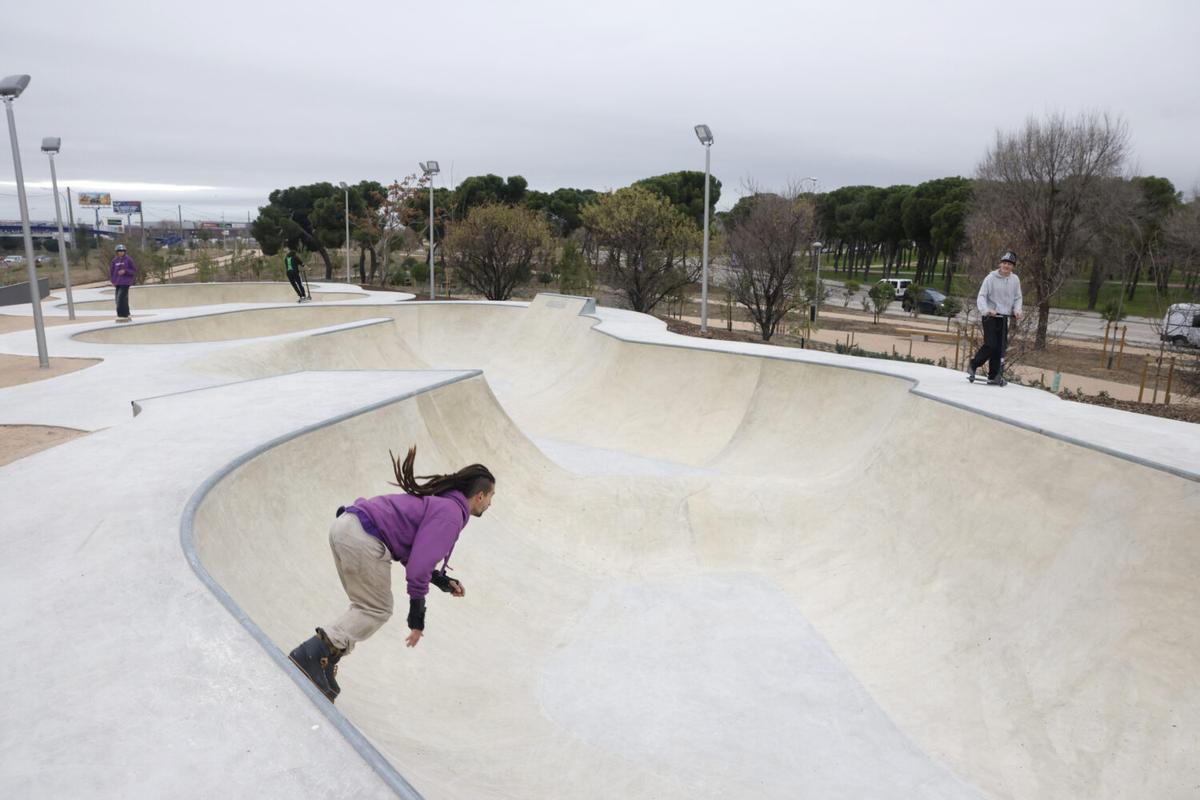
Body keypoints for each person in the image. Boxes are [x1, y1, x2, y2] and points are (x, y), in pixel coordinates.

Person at [289, 447, 496, 702]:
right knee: (376, 609)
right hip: (364, 537)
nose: (490, 503)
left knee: (367, 607)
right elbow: (418, 568)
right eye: (490, 497)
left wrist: (441, 580)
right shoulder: (451, 515)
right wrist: (417, 617)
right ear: (479, 495)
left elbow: (415, 555)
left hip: (346, 527)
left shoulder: (442, 505)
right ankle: (312, 655)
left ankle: (324, 658)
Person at [967, 250, 1024, 385]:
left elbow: (1018, 297)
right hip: (990, 316)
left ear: (1013, 267)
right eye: (1004, 263)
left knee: (1000, 348)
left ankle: (993, 376)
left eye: (1009, 264)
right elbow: (981, 296)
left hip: (1004, 318)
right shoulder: (990, 278)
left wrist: (1017, 310)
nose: (1006, 266)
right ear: (1000, 264)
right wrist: (986, 310)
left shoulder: (1015, 280)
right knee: (991, 345)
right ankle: (973, 365)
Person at [109, 244, 137, 322]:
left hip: (125, 282)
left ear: (124, 252)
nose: (121, 253)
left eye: (122, 251)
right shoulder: (114, 260)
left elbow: (134, 270)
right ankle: (127, 313)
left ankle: (121, 315)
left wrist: (125, 271)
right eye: (119, 251)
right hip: (117, 282)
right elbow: (111, 271)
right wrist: (113, 280)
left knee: (120, 297)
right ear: (117, 252)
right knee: (121, 298)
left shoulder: (128, 259)